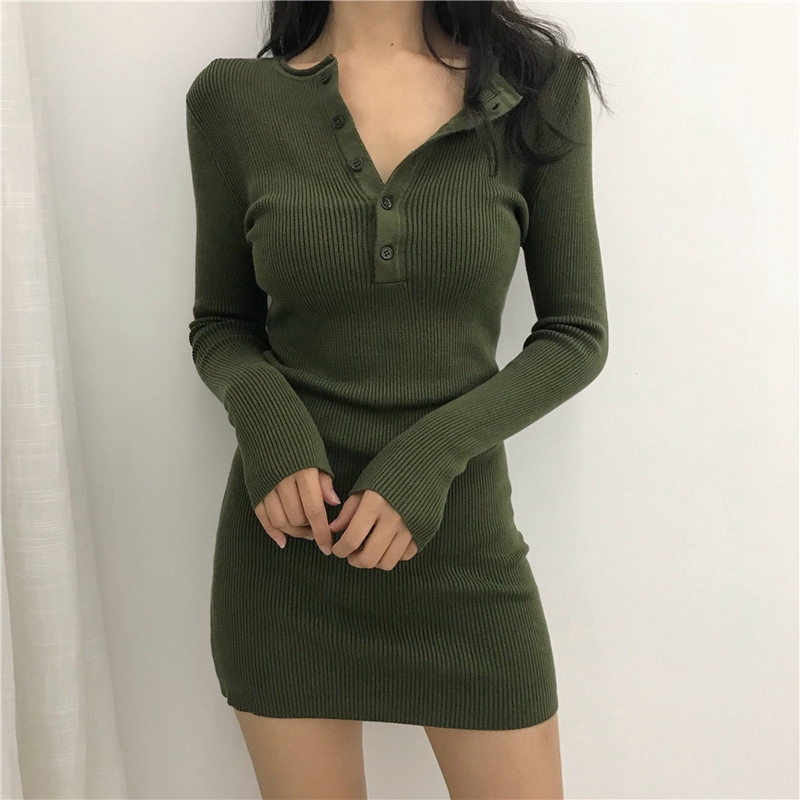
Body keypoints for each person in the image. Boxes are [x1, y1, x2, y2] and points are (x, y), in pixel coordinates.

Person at [185, 0, 609, 797]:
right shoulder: (232, 101)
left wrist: (426, 459)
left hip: (464, 553)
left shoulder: (535, 91)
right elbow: (222, 325)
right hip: (288, 559)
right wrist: (269, 422)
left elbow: (575, 335)